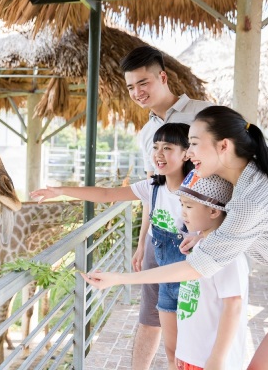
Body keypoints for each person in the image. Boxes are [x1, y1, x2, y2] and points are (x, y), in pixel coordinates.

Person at [83, 105, 268, 370]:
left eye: (194, 143)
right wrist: (213, 235)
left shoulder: (251, 199)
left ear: (224, 146)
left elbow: (197, 267)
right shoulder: (246, 179)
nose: (189, 152)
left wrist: (121, 279)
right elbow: (237, 222)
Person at [31, 122, 193, 369]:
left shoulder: (196, 189)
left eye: (168, 148)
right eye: (156, 147)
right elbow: (107, 194)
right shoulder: (153, 187)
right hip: (159, 265)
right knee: (170, 348)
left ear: (186, 153)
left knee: (186, 347)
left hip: (188, 274)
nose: (159, 154)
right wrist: (61, 190)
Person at [121, 45, 211, 369]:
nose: (137, 92)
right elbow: (153, 190)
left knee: (198, 316)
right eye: (131, 86)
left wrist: (213, 232)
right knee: (151, 313)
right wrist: (142, 240)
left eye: (143, 83)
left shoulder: (205, 113)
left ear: (162, 76)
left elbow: (231, 177)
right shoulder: (147, 133)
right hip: (160, 236)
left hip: (199, 236)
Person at [174, 170, 249, 370]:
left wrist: (217, 359)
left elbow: (233, 305)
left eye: (189, 206)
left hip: (210, 361)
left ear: (214, 211)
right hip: (193, 355)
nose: (183, 212)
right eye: (181, 205)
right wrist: (183, 350)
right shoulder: (201, 245)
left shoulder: (228, 255)